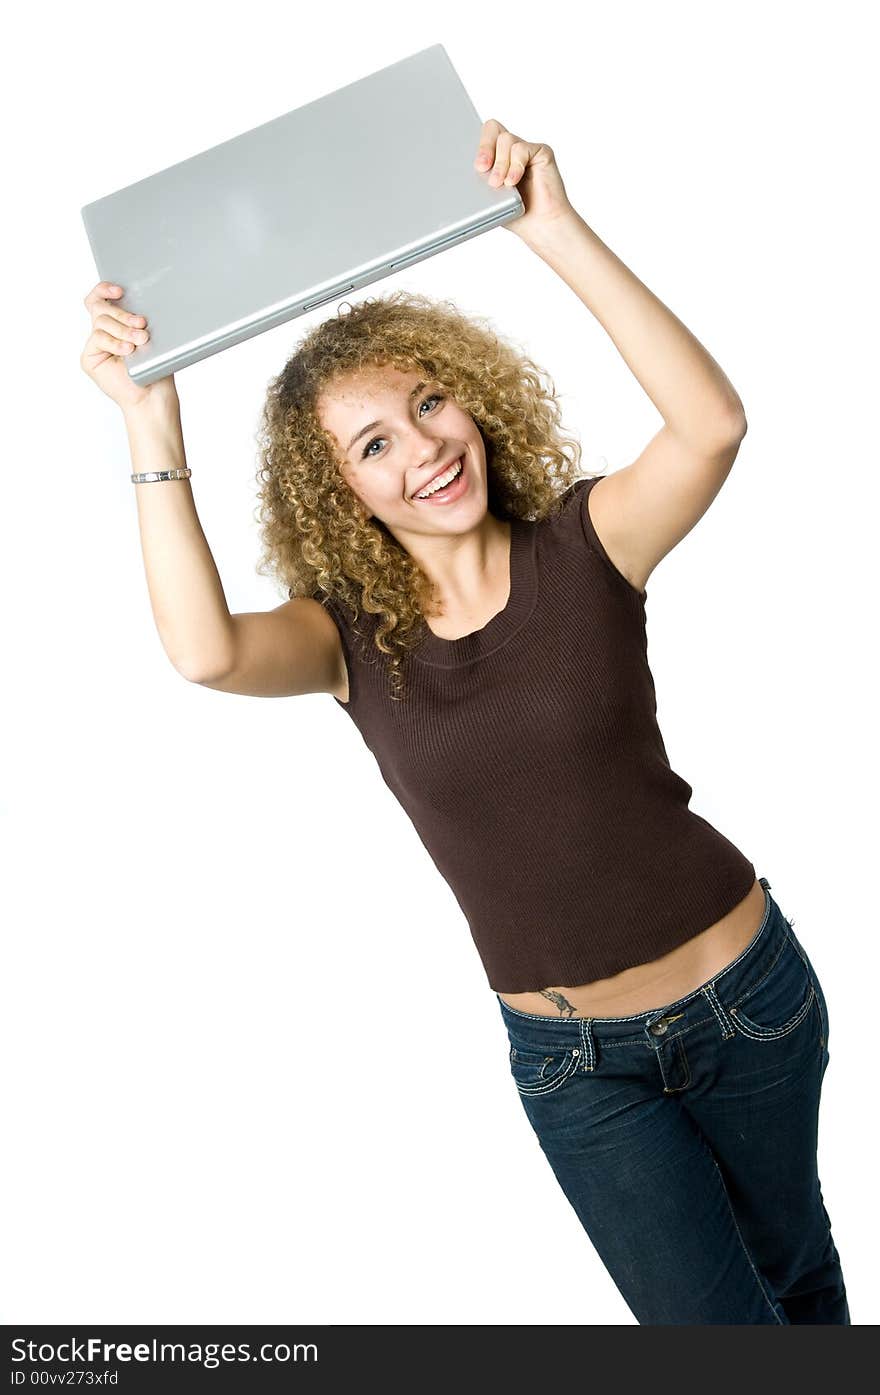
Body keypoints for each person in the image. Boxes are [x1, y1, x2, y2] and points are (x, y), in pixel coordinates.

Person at [80, 118, 850, 1325]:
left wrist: (552, 228)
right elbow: (203, 650)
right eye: (373, 444)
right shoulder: (345, 643)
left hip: (749, 999)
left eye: (430, 402)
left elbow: (711, 427)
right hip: (574, 1067)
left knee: (796, 1277)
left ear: (474, 400)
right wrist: (146, 423)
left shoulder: (587, 546)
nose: (423, 448)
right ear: (339, 491)